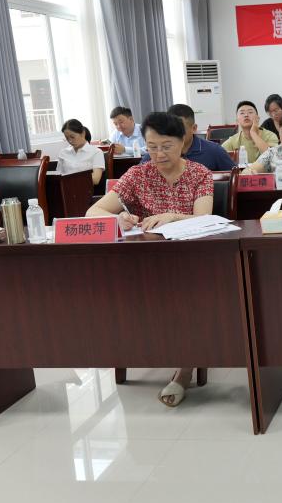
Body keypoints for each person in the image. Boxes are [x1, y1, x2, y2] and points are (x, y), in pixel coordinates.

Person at [87, 112, 215, 407]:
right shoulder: (138, 174)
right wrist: (120, 218)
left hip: (191, 262)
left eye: (166, 146)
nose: (158, 154)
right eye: (152, 146)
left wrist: (173, 216)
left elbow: (204, 218)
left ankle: (184, 371)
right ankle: (143, 348)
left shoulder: (199, 173)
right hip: (145, 264)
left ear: (182, 142)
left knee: (186, 298)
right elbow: (93, 212)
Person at [141, 104, 235, 171]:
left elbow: (233, 178)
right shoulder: (155, 155)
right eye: (171, 130)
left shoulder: (214, 151)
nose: (175, 134)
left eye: (180, 129)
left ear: (194, 128)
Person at [57, 118, 105, 185]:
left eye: (72, 137)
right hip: (65, 189)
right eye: (67, 138)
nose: (70, 141)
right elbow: (58, 176)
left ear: (83, 133)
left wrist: (70, 180)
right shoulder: (63, 153)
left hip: (85, 189)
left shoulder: (96, 152)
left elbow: (95, 180)